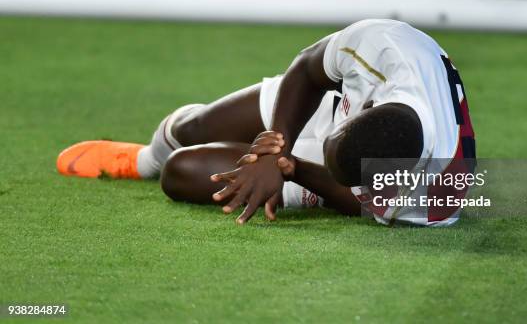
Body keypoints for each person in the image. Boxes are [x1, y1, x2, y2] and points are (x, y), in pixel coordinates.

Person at [57, 19, 475, 226]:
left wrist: (295, 170)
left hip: (329, 174)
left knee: (179, 173)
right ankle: (144, 158)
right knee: (194, 129)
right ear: (365, 109)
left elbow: (357, 200)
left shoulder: (435, 196)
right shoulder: (383, 45)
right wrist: (275, 146)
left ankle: (158, 166)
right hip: (329, 100)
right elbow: (309, 69)